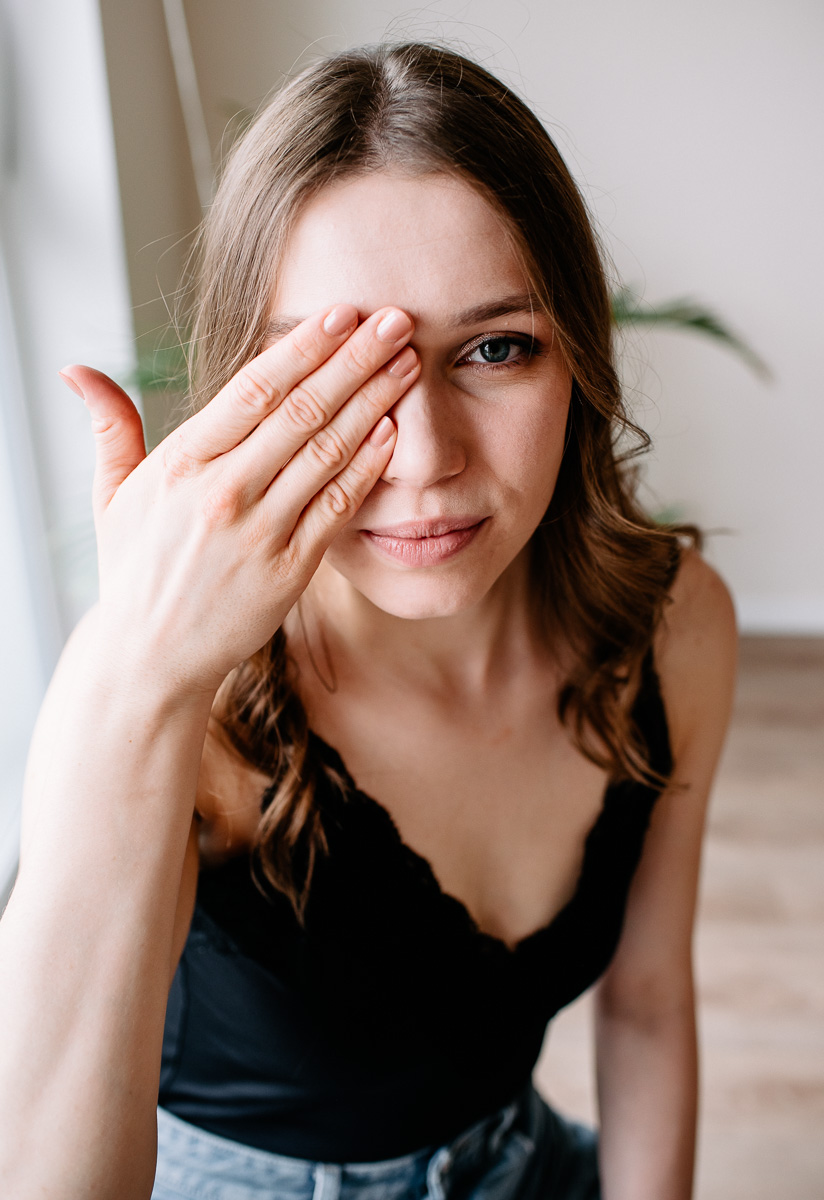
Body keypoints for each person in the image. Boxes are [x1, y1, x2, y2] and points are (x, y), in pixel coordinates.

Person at [0, 41, 736, 1200]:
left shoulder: (673, 626)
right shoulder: (170, 702)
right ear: (246, 388)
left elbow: (643, 1009)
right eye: (339, 369)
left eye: (493, 348)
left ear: (576, 357)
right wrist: (140, 680)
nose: (425, 459)